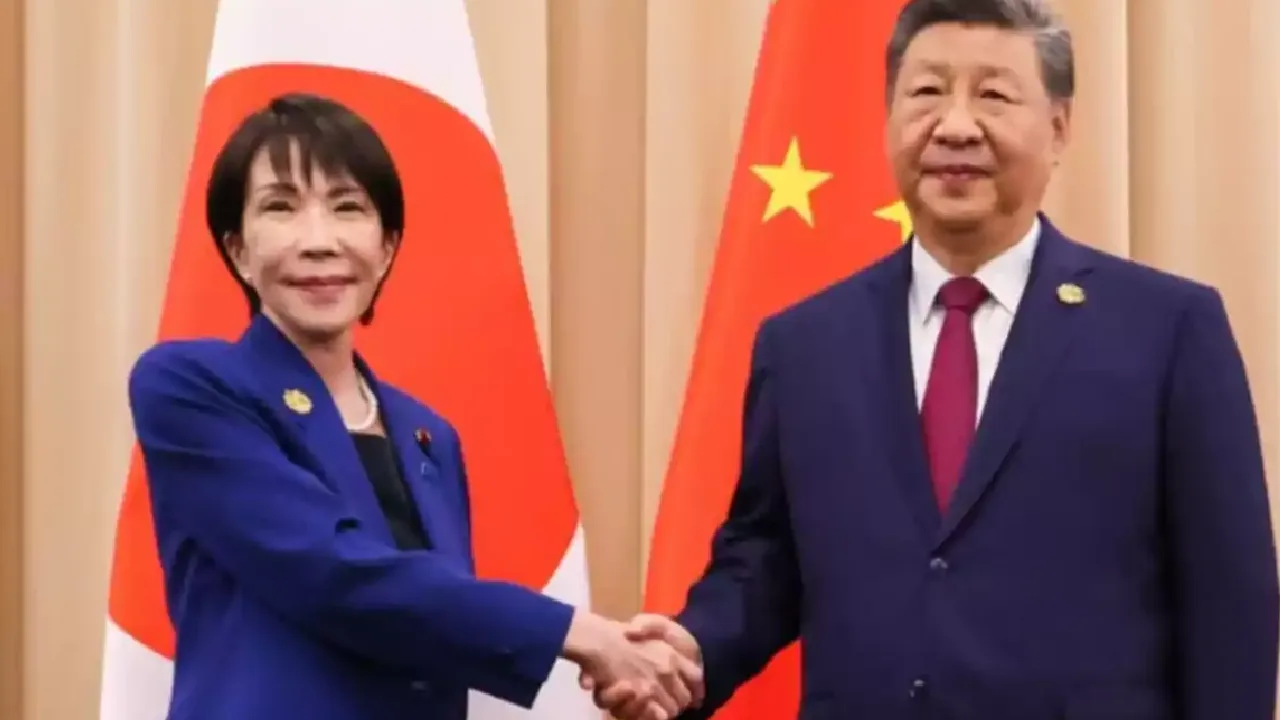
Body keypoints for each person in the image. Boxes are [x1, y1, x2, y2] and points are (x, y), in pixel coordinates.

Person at [602, 0, 1280, 718]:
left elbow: (1230, 599)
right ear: (889, 117)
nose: (955, 126)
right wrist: (689, 653)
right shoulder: (803, 344)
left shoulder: (1166, 330)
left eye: (993, 95)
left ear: (1059, 128)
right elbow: (764, 560)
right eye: (926, 92)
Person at [126, 93, 699, 720]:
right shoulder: (189, 385)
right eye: (281, 207)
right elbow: (333, 574)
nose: (319, 241)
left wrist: (624, 665)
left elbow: (436, 621)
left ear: (387, 247)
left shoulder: (429, 435)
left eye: (347, 207)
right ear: (238, 250)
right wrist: (584, 637)